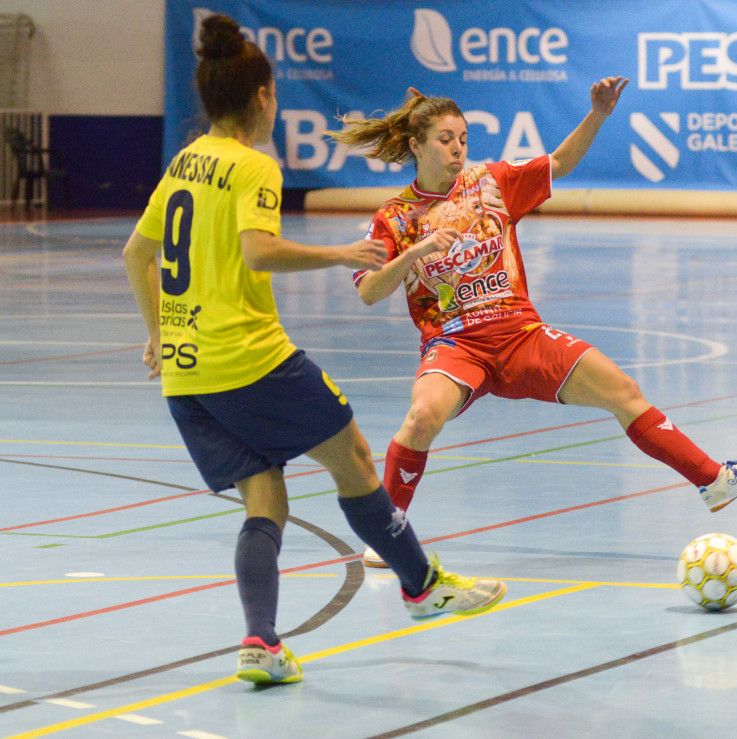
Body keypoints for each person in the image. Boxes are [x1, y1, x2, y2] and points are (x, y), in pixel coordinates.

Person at [122, 14, 505, 685]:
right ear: (264, 96)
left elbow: (137, 253)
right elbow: (258, 251)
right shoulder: (253, 166)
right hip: (249, 358)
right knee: (353, 455)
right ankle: (420, 584)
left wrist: (159, 332)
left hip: (186, 377)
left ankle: (261, 642)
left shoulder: (185, 160)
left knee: (265, 496)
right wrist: (338, 253)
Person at [331, 77, 737, 567]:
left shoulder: (491, 183)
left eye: (463, 138)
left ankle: (713, 480)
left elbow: (560, 163)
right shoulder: (395, 218)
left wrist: (598, 115)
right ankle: (386, 534)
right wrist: (414, 254)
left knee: (623, 391)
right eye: (445, 140)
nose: (458, 149)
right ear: (416, 144)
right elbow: (369, 291)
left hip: (520, 334)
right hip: (455, 344)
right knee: (422, 417)